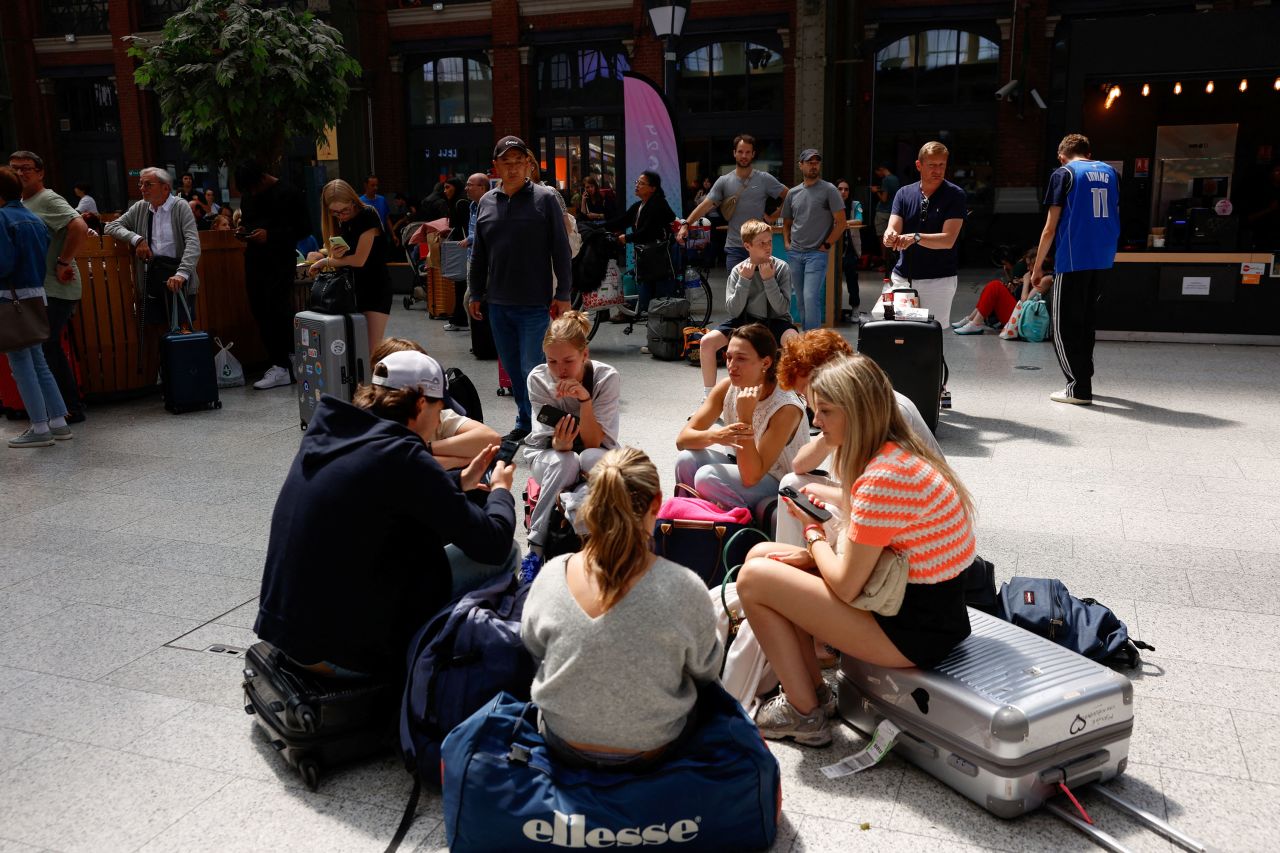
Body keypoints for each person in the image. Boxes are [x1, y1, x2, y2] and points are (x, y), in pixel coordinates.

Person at [736, 354, 976, 746]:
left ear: (858, 411)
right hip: (924, 610)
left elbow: (847, 586)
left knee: (754, 577)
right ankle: (813, 695)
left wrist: (812, 534)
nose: (816, 422)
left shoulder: (881, 477)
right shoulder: (898, 454)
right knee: (764, 558)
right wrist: (811, 554)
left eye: (825, 412)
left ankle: (803, 712)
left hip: (912, 632)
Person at [255, 350, 520, 678]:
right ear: (421, 403)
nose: (440, 421)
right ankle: (440, 663)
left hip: (286, 634)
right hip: (340, 654)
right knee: (507, 554)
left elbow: (387, 496)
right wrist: (501, 491)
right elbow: (491, 543)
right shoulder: (403, 455)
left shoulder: (333, 431)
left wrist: (458, 482)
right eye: (440, 409)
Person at [521, 446, 721, 768]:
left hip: (563, 741)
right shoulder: (685, 586)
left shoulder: (552, 574)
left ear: (590, 505)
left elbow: (532, 646)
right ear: (658, 502)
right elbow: (706, 669)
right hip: (653, 747)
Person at [774, 330, 941, 551]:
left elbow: (880, 498)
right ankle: (794, 562)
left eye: (807, 391)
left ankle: (800, 566)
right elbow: (799, 465)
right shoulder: (847, 410)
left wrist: (817, 496)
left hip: (908, 522)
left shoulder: (889, 411)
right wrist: (829, 431)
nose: (808, 406)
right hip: (874, 500)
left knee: (802, 502)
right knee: (791, 485)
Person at [467, 135, 573, 443]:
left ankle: (541, 425)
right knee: (514, 371)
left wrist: (563, 293)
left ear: (528, 165)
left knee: (533, 369)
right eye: (506, 163)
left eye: (519, 162)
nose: (513, 169)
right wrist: (475, 292)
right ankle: (525, 419)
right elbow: (478, 255)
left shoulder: (545, 199)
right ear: (495, 167)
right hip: (498, 303)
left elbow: (561, 250)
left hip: (534, 303)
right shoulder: (485, 202)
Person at [676, 323, 807, 521]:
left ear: (765, 363)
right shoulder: (728, 386)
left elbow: (752, 475)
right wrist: (717, 436)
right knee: (686, 460)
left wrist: (745, 418)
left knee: (707, 477)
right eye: (728, 357)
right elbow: (683, 440)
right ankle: (693, 525)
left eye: (741, 359)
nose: (731, 366)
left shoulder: (785, 408)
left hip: (779, 482)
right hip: (745, 467)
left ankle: (738, 530)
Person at [520, 311, 621, 556]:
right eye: (552, 361)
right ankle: (537, 546)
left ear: (584, 354)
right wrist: (561, 444)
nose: (560, 370)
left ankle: (598, 545)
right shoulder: (539, 378)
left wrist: (585, 401)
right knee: (566, 462)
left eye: (568, 361)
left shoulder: (605, 377)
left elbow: (594, 442)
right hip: (550, 454)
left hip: (596, 450)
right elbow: (547, 439)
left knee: (589, 461)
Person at [1030, 133, 1120, 405]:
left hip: (1073, 259)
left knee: (1065, 325)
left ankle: (1078, 387)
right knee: (1086, 322)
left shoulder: (1063, 174)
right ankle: (1085, 377)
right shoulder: (1111, 173)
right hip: (1103, 259)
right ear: (1089, 153)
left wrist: (1036, 269)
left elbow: (1050, 228)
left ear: (1061, 156)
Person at [9, 150, 89, 423]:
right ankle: (60, 409)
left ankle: (69, 409)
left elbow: (78, 225)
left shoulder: (48, 198)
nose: (20, 173)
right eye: (14, 168)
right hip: (39, 288)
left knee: (46, 347)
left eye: (26, 168)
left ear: (40, 172)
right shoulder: (21, 201)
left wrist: (64, 261)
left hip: (56, 288)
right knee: (45, 347)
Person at [0, 166, 73, 448]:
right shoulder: (32, 217)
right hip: (35, 294)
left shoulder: (3, 219)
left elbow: (4, 264)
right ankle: (58, 422)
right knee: (39, 360)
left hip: (10, 297)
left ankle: (40, 427)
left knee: (20, 364)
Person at [697, 219, 798, 395]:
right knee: (706, 342)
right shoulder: (738, 270)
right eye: (761, 243)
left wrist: (769, 280)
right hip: (745, 320)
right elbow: (733, 311)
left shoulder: (781, 268)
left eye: (770, 242)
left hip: (775, 320)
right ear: (747, 245)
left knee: (795, 342)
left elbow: (782, 309)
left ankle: (797, 395)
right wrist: (745, 280)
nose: (768, 247)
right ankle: (709, 397)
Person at [235, 160, 313, 390]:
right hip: (254, 259)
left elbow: (304, 228)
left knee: (278, 308)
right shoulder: (249, 194)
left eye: (253, 187)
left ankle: (287, 360)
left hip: (280, 259)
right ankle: (280, 362)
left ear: (260, 179)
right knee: (259, 308)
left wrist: (271, 236)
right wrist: (243, 231)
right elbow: (248, 220)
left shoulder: (289, 193)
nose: (251, 193)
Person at [371, 337, 500, 469]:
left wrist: (424, 448)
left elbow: (491, 439)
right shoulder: (371, 432)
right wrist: (457, 460)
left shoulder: (436, 413)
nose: (438, 418)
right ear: (420, 403)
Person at [104, 167, 202, 331]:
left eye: (148, 184)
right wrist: (137, 239)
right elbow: (111, 226)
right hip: (152, 278)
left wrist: (182, 274)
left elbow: (193, 242)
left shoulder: (180, 206)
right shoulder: (141, 207)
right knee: (156, 333)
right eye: (141, 184)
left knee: (183, 332)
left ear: (165, 188)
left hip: (178, 277)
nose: (142, 188)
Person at [678, 134, 787, 270]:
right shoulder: (724, 181)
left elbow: (789, 196)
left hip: (758, 246)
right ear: (734, 153)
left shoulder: (764, 179)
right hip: (734, 247)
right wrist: (686, 224)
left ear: (753, 154)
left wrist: (774, 216)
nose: (744, 156)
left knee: (758, 290)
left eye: (748, 152)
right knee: (735, 291)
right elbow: (705, 206)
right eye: (740, 152)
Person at [307, 178, 392, 352]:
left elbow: (359, 259)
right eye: (335, 212)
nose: (342, 215)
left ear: (353, 201)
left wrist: (328, 260)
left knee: (371, 351)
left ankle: (375, 379)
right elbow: (348, 257)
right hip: (351, 289)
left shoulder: (367, 214)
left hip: (375, 288)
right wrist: (335, 255)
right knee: (354, 351)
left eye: (345, 210)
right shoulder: (339, 221)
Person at [781, 149, 846, 331]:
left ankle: (813, 341)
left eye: (816, 162)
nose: (814, 165)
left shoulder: (829, 190)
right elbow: (787, 221)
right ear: (801, 165)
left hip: (816, 254)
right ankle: (807, 336)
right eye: (809, 162)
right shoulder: (793, 193)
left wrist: (826, 245)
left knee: (810, 297)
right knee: (800, 298)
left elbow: (841, 223)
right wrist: (787, 243)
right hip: (795, 253)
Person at [602, 170, 679, 316]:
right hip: (647, 256)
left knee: (659, 298)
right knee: (643, 289)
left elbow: (647, 231)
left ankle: (662, 326)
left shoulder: (658, 203)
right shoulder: (639, 205)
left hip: (659, 257)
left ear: (653, 188)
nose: (637, 185)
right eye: (637, 182)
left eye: (642, 183)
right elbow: (621, 220)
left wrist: (626, 238)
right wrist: (597, 227)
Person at [953, 257, 1053, 335]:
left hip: (1024, 321)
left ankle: (975, 323)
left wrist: (1026, 282)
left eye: (1030, 266)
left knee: (995, 286)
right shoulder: (1042, 277)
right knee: (993, 286)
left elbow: (1025, 302)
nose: (1027, 269)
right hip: (1023, 317)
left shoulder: (1046, 279)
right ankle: (972, 320)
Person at [443, 177, 471, 332]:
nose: (445, 191)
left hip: (462, 247)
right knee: (460, 284)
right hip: (461, 247)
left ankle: (460, 320)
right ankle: (459, 318)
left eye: (448, 187)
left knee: (461, 284)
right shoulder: (459, 202)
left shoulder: (460, 203)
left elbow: (464, 227)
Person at [836, 179, 863, 317]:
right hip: (834, 249)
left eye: (846, 189)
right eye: (840, 189)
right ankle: (833, 310)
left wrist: (842, 223)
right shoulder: (831, 204)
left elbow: (859, 220)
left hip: (850, 248)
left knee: (852, 280)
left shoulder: (855, 204)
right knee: (833, 280)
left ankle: (855, 309)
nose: (843, 192)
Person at [870, 163, 900, 273]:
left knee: (882, 239)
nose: (877, 175)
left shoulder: (886, 180)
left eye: (877, 172)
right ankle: (893, 263)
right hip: (893, 212)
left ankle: (884, 263)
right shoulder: (895, 179)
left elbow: (884, 199)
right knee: (893, 239)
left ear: (881, 169)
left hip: (883, 212)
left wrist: (876, 191)